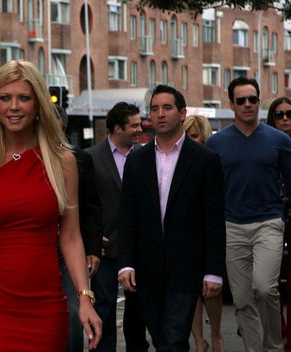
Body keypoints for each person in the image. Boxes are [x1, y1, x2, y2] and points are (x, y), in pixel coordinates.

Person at [0, 60, 102, 351]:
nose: (14, 106)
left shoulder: (62, 161)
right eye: (5, 98)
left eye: (23, 98)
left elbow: (71, 237)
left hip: (46, 305)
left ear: (37, 104)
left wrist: (84, 298)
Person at [118, 85, 226, 352]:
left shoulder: (205, 160)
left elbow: (213, 219)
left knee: (175, 339)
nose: (160, 114)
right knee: (161, 337)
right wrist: (125, 264)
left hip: (187, 267)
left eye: (167, 108)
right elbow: (128, 215)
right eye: (154, 109)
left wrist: (214, 271)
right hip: (147, 267)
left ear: (182, 113)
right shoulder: (137, 161)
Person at [206, 77, 291, 351]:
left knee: (265, 289)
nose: (247, 105)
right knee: (242, 299)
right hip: (231, 226)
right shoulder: (215, 143)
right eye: (241, 100)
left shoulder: (280, 140)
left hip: (269, 222)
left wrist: (282, 215)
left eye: (252, 99)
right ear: (231, 104)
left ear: (258, 100)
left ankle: (274, 347)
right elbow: (210, 188)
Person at [86, 102, 148, 352]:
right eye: (134, 125)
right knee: (105, 307)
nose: (139, 128)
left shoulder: (145, 155)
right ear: (117, 128)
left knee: (138, 310)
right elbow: (84, 203)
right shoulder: (90, 157)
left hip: (138, 247)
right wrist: (91, 238)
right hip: (104, 248)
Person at [55, 105, 103, 352]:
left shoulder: (78, 159)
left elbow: (91, 207)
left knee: (73, 313)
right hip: (35, 250)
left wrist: (92, 248)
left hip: (68, 251)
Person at [183, 115, 224, 352]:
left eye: (196, 136)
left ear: (205, 137)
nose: (191, 141)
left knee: (211, 290)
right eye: (187, 136)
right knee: (190, 292)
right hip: (185, 234)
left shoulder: (211, 160)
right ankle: (199, 341)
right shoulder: (177, 160)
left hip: (208, 232)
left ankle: (216, 335)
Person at [266, 96, 291, 350]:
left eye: (289, 114)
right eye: (279, 114)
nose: (284, 119)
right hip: (269, 214)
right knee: (266, 284)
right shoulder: (266, 144)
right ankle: (277, 331)